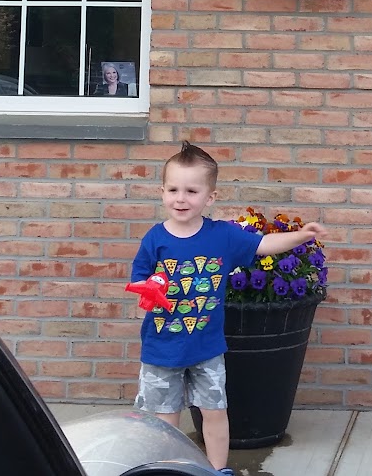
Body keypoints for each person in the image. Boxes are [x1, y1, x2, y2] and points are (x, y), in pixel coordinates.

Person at [132, 142, 325, 476]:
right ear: (161, 192)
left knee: (215, 412)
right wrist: (148, 291)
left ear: (210, 197)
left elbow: (263, 244)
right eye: (173, 190)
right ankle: (170, 469)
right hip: (162, 348)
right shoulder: (155, 239)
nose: (181, 199)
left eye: (192, 191)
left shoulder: (222, 236)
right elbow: (139, 280)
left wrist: (300, 236)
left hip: (206, 348)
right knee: (165, 420)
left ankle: (216, 470)